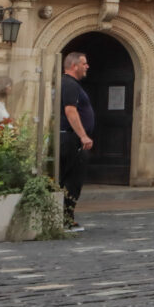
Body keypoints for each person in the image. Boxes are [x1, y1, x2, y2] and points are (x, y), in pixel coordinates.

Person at [59, 51, 94, 232]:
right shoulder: (70, 84)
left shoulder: (69, 84)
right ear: (74, 66)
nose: (87, 66)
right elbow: (70, 111)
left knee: (71, 180)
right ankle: (66, 219)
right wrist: (83, 136)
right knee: (72, 180)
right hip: (70, 139)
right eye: (84, 63)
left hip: (70, 137)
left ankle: (66, 217)